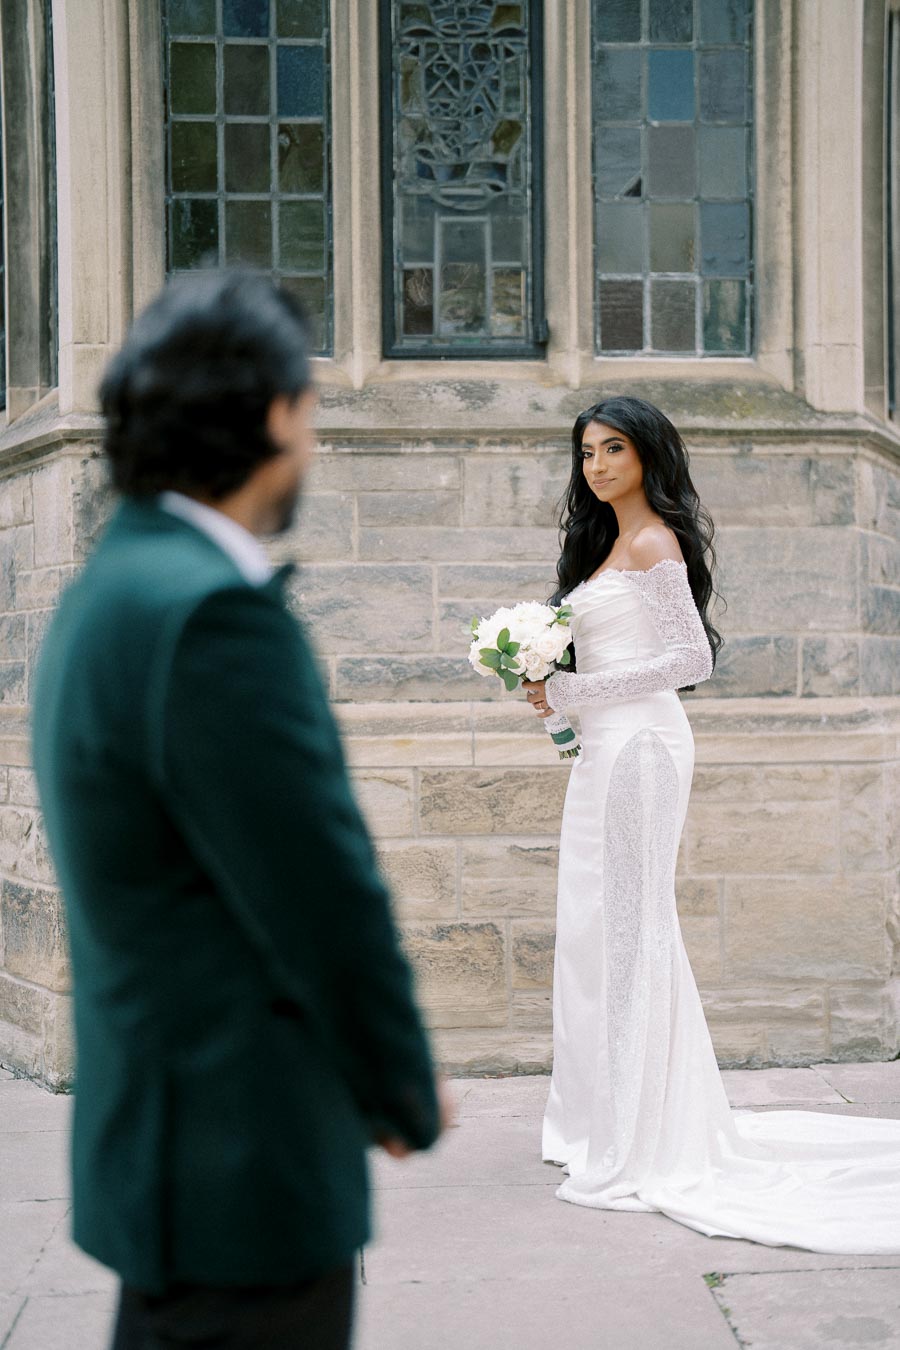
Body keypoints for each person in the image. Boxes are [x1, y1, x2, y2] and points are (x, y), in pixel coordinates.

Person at [32, 270, 452, 1350]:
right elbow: (321, 889)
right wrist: (401, 1086)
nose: (313, 435)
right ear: (272, 412)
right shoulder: (215, 614)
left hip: (164, 1156)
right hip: (242, 1166)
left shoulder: (107, 591)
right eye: (309, 405)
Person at [523, 396, 900, 1254]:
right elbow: (609, 658)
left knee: (631, 928)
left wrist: (581, 689)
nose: (597, 465)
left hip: (645, 751)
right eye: (586, 452)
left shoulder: (654, 541)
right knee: (593, 929)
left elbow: (692, 659)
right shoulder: (603, 546)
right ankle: (598, 1119)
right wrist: (551, 687)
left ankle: (642, 1135)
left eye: (613, 449)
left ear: (648, 456)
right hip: (604, 751)